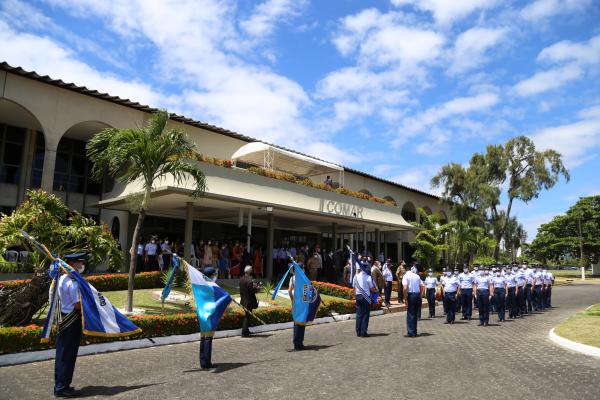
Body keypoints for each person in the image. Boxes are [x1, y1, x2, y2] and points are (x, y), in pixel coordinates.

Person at [54, 253, 87, 397]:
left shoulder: (62, 278)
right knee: (68, 355)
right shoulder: (73, 283)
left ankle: (61, 385)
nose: (82, 266)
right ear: (74, 264)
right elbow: (78, 305)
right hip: (72, 320)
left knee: (62, 353)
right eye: (80, 263)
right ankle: (62, 388)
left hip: (64, 317)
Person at [199, 267, 218, 369]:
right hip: (209, 314)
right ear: (211, 276)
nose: (215, 276)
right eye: (214, 275)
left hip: (201, 314)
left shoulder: (201, 285)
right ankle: (207, 362)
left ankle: (203, 362)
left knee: (203, 338)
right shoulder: (211, 286)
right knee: (208, 339)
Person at [353, 266, 376, 337]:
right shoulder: (368, 277)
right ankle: (363, 332)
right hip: (366, 297)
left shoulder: (355, 276)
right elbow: (372, 289)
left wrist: (356, 296)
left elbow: (354, 288)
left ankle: (358, 332)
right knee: (365, 315)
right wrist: (376, 291)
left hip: (358, 296)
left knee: (359, 314)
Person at [403, 265, 425, 337]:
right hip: (417, 295)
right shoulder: (417, 276)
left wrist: (405, 298)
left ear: (405, 270)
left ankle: (411, 333)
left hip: (411, 295)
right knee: (415, 314)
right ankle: (414, 331)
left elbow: (405, 287)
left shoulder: (406, 276)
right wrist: (420, 296)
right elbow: (422, 286)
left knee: (410, 314)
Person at [239, 265, 259, 337]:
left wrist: (254, 286)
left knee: (247, 316)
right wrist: (257, 288)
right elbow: (252, 291)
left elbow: (245, 289)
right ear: (250, 272)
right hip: (248, 302)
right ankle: (244, 333)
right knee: (247, 317)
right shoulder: (249, 281)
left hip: (243, 301)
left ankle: (246, 331)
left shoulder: (241, 279)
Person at [288, 265, 305, 350]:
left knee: (296, 323)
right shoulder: (303, 278)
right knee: (301, 323)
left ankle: (296, 343)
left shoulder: (292, 278)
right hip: (302, 303)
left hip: (296, 302)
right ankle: (300, 342)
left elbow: (289, 291)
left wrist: (292, 300)